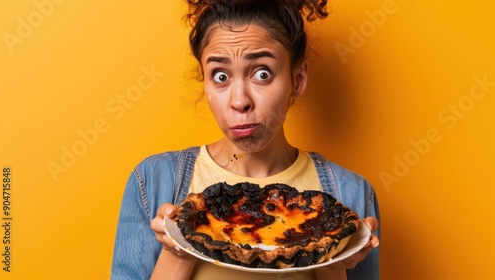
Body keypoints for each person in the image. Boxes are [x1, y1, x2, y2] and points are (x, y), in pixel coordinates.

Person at [111, 0, 380, 279]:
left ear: (297, 79)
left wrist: (331, 264)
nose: (239, 101)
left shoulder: (353, 196)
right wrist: (177, 249)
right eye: (221, 75)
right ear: (204, 80)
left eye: (262, 74)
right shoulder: (153, 182)